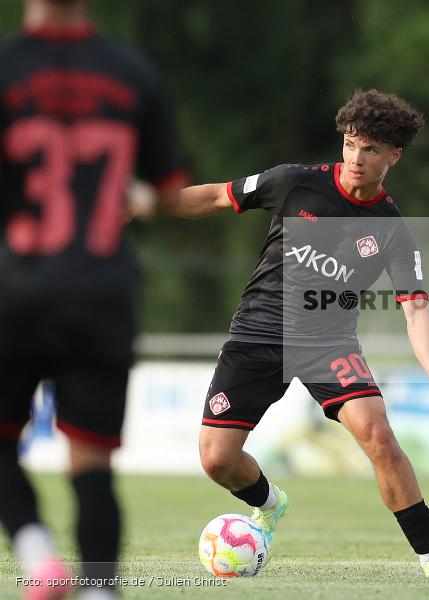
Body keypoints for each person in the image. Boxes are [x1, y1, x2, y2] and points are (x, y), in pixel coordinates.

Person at [165, 89, 429, 581]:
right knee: (216, 460)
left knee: (379, 437)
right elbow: (212, 196)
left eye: (370, 149)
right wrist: (137, 204)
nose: (356, 158)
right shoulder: (292, 183)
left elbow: (417, 312)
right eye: (350, 144)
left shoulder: (392, 232)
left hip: (329, 346)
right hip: (257, 334)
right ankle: (270, 502)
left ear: (394, 155)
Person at [0, 0, 185, 598]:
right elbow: (167, 189)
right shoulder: (130, 71)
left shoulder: (7, 68)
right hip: (104, 290)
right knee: (92, 465)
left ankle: (37, 553)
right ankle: (101, 592)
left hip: (18, 287)